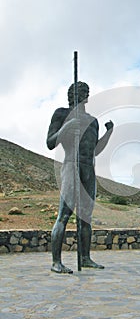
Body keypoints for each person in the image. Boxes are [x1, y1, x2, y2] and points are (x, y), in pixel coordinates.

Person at [47, 81, 113, 273]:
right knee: (64, 215)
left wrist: (109, 133)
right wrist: (65, 129)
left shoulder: (93, 121)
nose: (83, 93)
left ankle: (85, 257)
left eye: (85, 91)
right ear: (71, 94)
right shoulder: (61, 114)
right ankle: (56, 262)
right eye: (79, 91)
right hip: (70, 165)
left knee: (86, 217)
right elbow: (50, 142)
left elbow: (96, 150)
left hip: (88, 169)